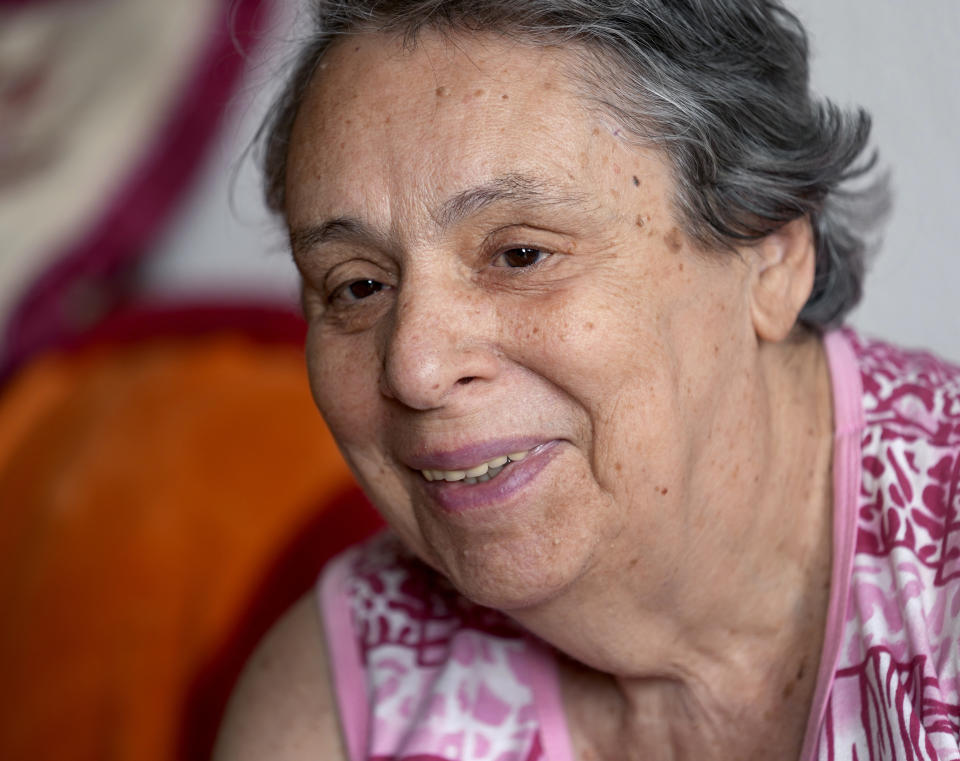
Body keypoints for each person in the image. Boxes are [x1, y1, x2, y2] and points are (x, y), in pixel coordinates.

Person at [213, 1, 960, 759]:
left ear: (771, 254)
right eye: (358, 285)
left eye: (521, 255)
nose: (416, 367)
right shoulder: (340, 703)